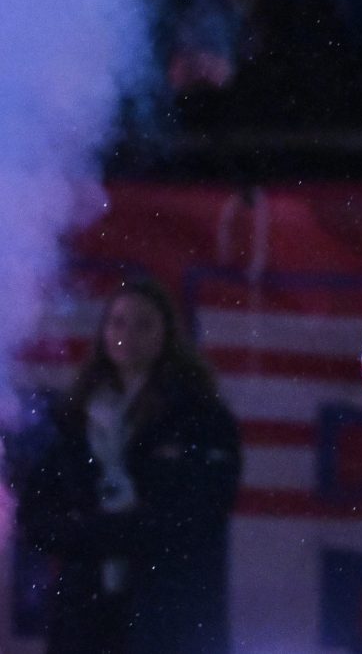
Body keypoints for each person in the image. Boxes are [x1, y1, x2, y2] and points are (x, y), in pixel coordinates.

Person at [18, 277, 241, 654]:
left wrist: (97, 531)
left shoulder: (201, 418)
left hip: (168, 615)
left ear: (166, 335)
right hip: (85, 616)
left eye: (143, 324)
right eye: (117, 322)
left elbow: (197, 515)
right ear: (103, 332)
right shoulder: (73, 419)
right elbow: (36, 515)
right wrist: (95, 532)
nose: (127, 335)